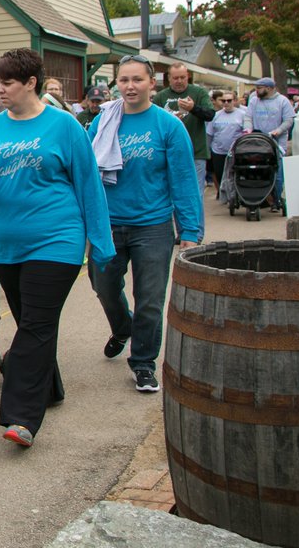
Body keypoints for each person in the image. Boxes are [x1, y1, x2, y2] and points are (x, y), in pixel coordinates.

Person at [0, 48, 114, 449]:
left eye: (7, 83)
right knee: (32, 321)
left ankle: (22, 417)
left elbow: (88, 185)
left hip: (56, 239)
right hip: (7, 242)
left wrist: (101, 243)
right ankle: (51, 388)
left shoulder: (64, 126)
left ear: (31, 83)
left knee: (35, 325)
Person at [87, 56, 202, 394]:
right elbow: (87, 176)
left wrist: (190, 232)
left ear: (153, 83)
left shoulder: (168, 126)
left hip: (153, 226)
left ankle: (143, 363)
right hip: (108, 224)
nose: (130, 86)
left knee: (150, 298)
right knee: (103, 286)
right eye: (124, 80)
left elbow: (183, 181)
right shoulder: (103, 123)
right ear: (116, 84)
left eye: (137, 79)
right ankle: (124, 327)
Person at [153, 63, 215, 192]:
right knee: (172, 192)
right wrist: (171, 121)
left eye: (183, 77)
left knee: (195, 193)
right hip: (170, 153)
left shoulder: (198, 92)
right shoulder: (160, 97)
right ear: (169, 78)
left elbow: (210, 115)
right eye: (175, 78)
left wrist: (193, 108)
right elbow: (153, 124)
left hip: (196, 153)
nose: (179, 81)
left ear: (188, 77)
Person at [245, 77, 295, 211]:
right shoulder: (254, 100)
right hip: (258, 141)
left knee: (277, 173)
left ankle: (277, 200)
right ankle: (260, 199)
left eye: (259, 88)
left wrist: (278, 131)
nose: (256, 90)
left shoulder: (282, 101)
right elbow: (248, 116)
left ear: (268, 88)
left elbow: (289, 120)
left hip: (276, 142)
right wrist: (248, 128)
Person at [206, 91, 247, 201]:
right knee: (220, 174)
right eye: (224, 101)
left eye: (229, 100)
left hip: (236, 152)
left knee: (236, 175)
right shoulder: (216, 115)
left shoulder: (242, 114)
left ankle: (237, 195)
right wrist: (207, 150)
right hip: (218, 151)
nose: (226, 103)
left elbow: (247, 132)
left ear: (234, 101)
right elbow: (209, 134)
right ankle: (224, 194)